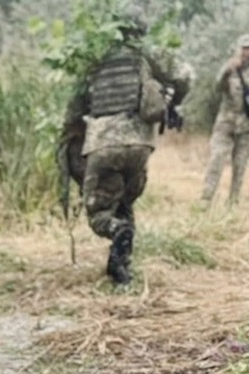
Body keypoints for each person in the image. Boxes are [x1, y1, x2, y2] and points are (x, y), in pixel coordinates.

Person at [66, 10, 192, 285]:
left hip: (102, 144)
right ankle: (121, 270)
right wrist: (173, 103)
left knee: (100, 213)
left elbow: (73, 111)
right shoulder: (147, 55)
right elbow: (183, 75)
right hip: (139, 144)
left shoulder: (94, 57)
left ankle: (115, 231)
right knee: (124, 202)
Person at [200, 35, 249, 206]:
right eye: (244, 48)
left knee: (240, 166)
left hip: (246, 127)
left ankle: (233, 202)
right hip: (225, 124)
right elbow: (217, 88)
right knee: (216, 160)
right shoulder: (230, 69)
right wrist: (227, 70)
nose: (247, 52)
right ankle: (206, 199)